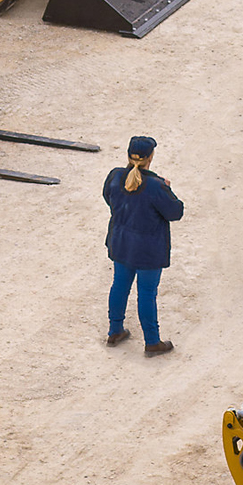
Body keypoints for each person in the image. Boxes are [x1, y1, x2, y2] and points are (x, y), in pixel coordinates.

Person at [103, 136, 183, 356]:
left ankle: (115, 330)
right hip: (148, 250)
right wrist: (169, 190)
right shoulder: (156, 186)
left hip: (121, 244)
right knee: (147, 293)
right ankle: (152, 342)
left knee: (119, 285)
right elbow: (175, 212)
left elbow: (108, 198)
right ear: (150, 158)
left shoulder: (115, 176)